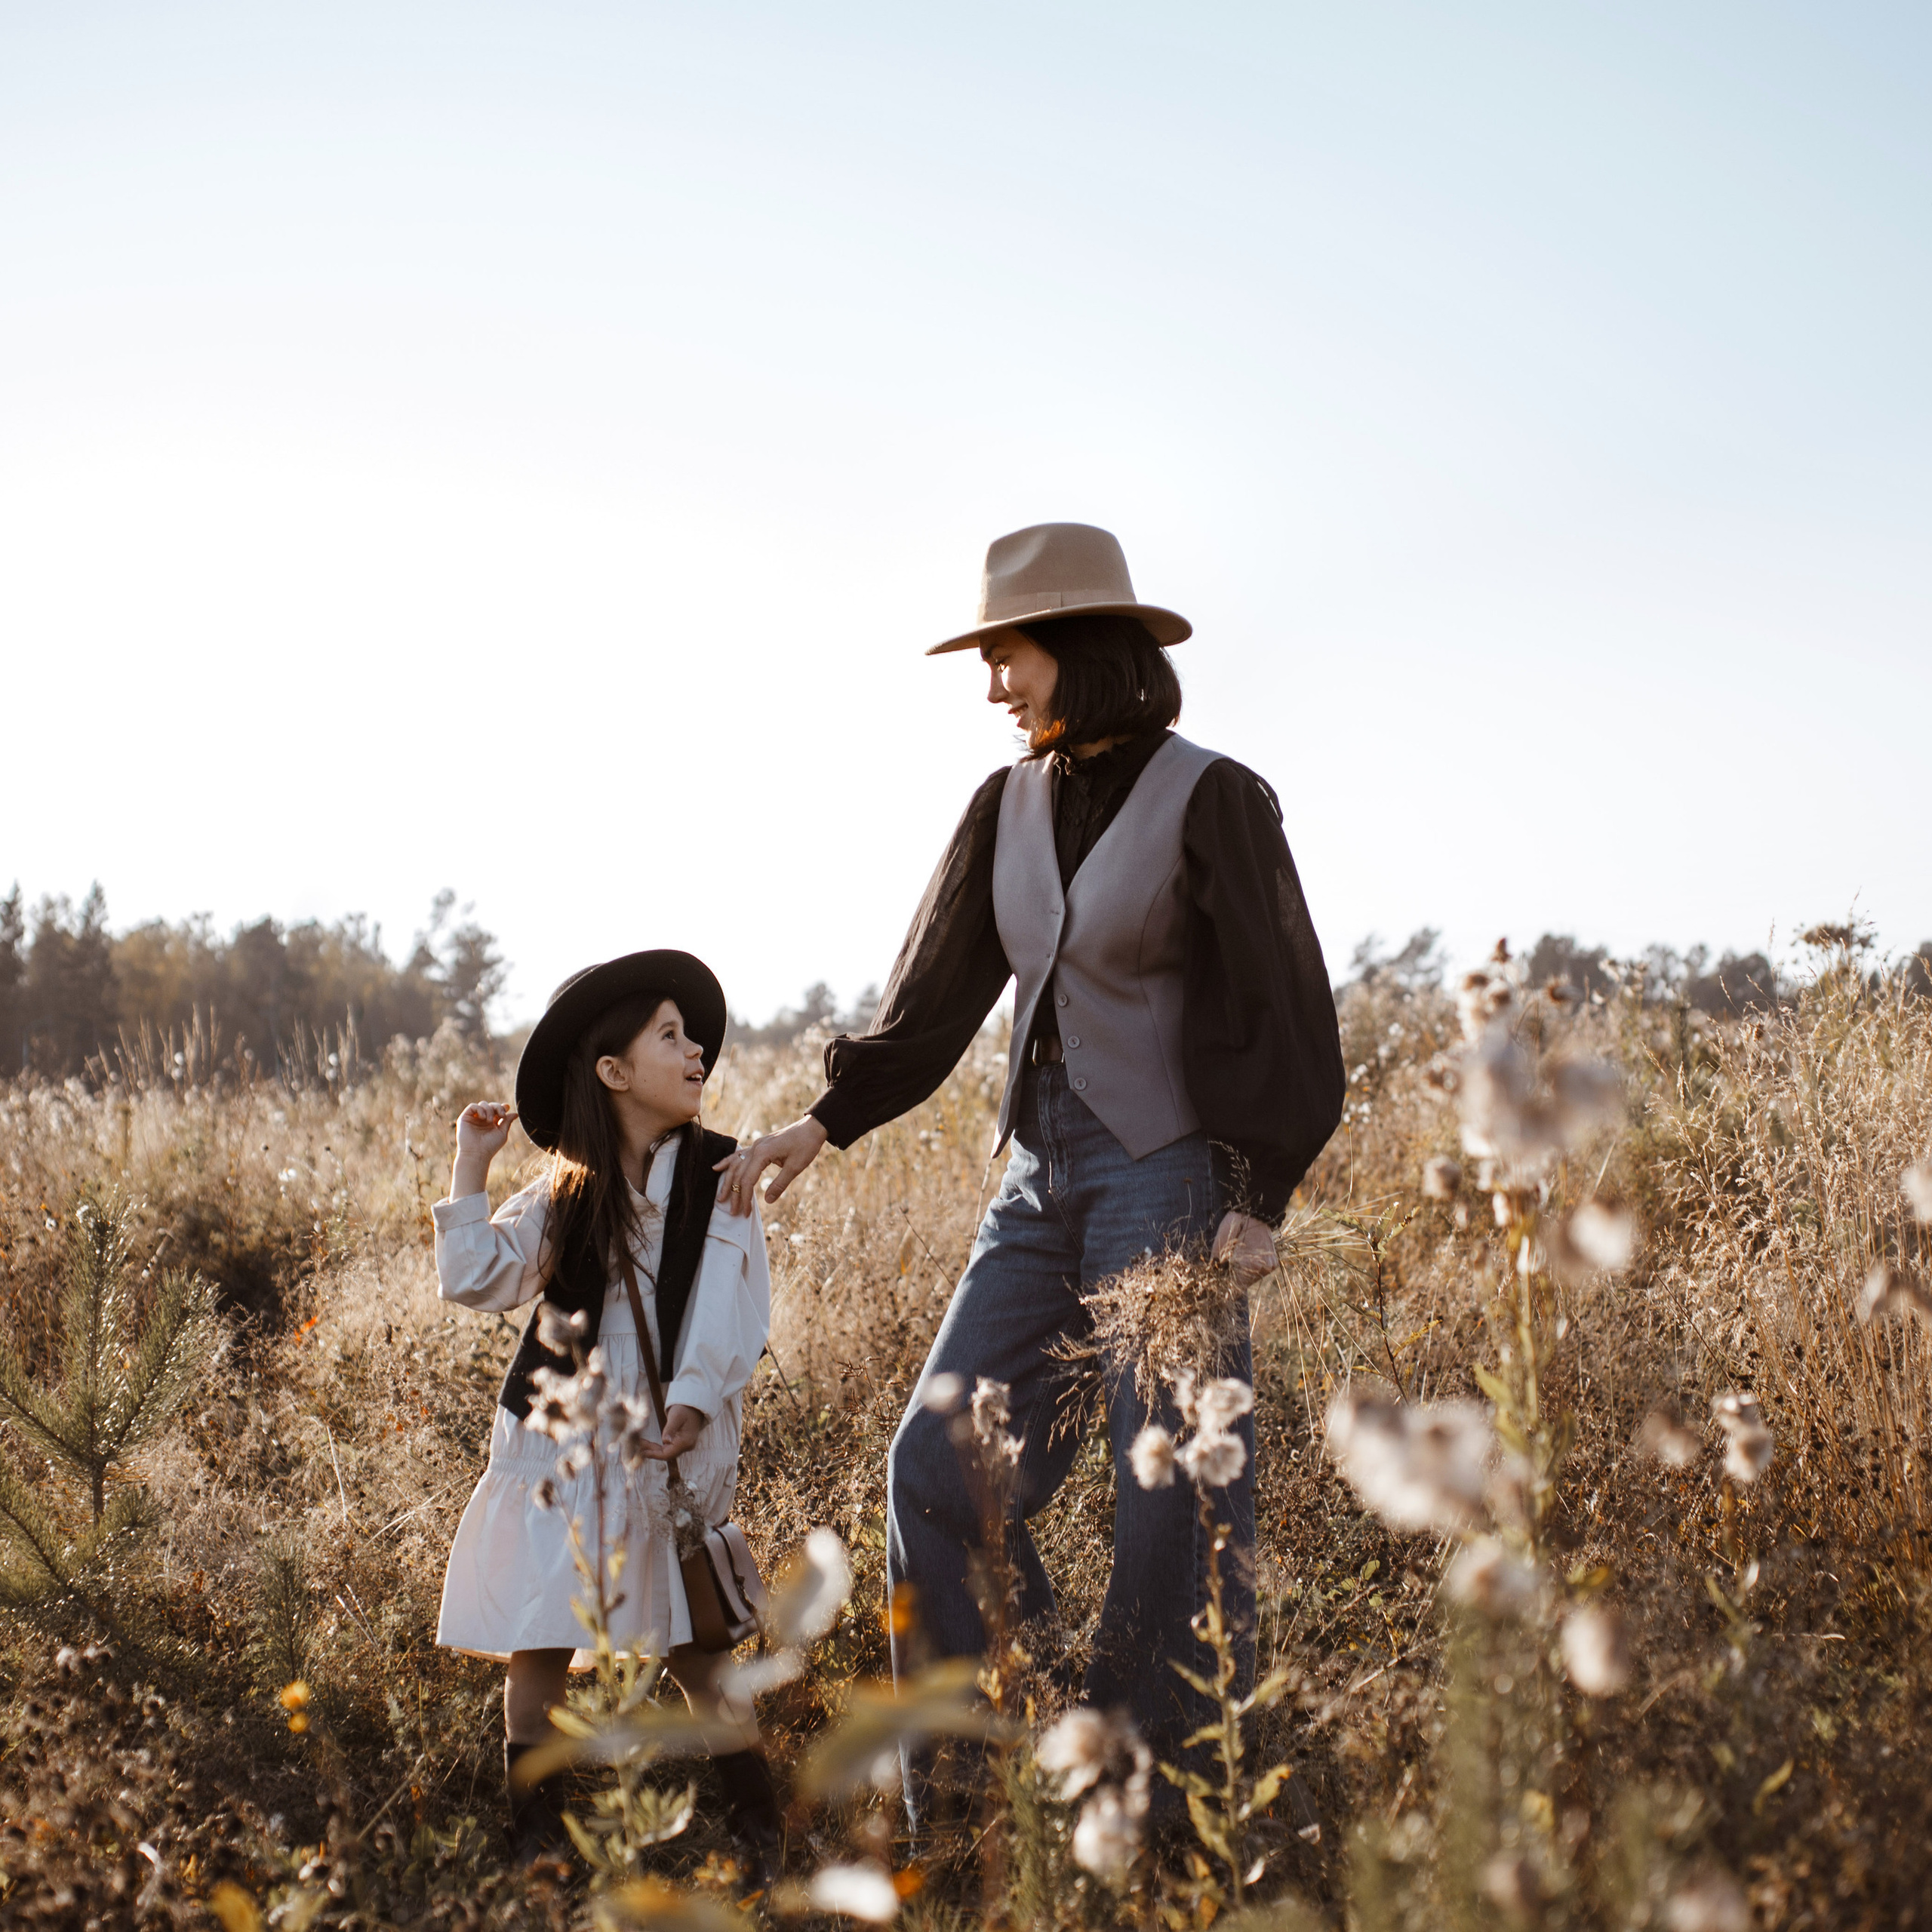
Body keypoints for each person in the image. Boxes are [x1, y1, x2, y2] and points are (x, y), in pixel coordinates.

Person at [715, 523, 1346, 1789]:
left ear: (1080, 648)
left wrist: (1259, 1190)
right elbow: (935, 995)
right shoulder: (1002, 804)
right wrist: (820, 1123)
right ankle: (973, 1776)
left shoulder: (1214, 794)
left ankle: (1159, 1795)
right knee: (936, 1471)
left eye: (1008, 655)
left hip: (1168, 1174)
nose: (994, 685)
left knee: (1174, 1492)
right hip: (1037, 1180)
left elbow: (1286, 1002)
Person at [432, 949, 782, 1866]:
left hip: (666, 1427)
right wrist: (471, 1163)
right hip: (562, 1438)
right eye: (671, 1034)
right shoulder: (566, 1193)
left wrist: (699, 1401)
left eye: (693, 1034)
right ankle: (537, 1827)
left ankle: (757, 1814)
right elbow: (478, 1277)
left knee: (693, 1640)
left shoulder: (724, 1174)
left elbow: (730, 1306)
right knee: (540, 1635)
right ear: (614, 1071)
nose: (697, 1047)